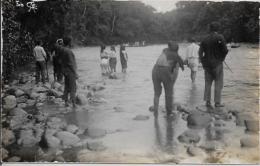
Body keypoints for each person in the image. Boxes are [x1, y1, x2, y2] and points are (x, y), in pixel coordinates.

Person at [199, 22, 228, 108]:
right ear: (217, 29)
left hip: (207, 65)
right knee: (218, 83)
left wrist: (203, 62)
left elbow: (200, 53)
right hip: (217, 64)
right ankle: (217, 103)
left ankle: (207, 102)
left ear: (210, 29)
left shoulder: (204, 39)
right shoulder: (220, 37)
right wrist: (221, 59)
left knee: (207, 83)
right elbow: (225, 50)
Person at [152, 41, 184, 117]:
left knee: (157, 93)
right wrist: (184, 65)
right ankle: (169, 113)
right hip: (164, 71)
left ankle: (155, 112)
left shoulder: (164, 51)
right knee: (168, 92)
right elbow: (181, 63)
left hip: (155, 70)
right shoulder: (174, 54)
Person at [55, 37, 78, 108]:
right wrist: (75, 73)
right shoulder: (68, 51)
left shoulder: (62, 50)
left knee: (67, 87)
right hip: (70, 72)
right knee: (73, 87)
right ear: (69, 43)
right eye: (71, 42)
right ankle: (74, 104)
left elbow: (59, 61)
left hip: (65, 71)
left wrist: (63, 70)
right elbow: (71, 63)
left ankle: (66, 102)